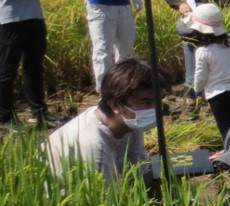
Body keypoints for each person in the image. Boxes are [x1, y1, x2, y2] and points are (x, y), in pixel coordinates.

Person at [45, 57, 167, 189]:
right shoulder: (93, 142)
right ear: (115, 105)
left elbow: (139, 174)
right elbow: (107, 202)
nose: (155, 108)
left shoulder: (130, 122)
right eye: (146, 102)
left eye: (158, 100)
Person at [185, 3, 230, 140]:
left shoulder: (203, 51)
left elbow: (200, 76)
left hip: (217, 94)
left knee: (226, 131)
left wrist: (198, 91)